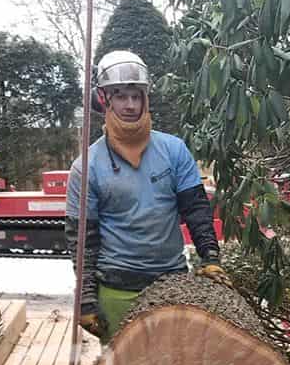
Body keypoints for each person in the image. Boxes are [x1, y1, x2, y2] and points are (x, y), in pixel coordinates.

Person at [65, 49, 229, 341]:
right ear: (104, 100)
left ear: (145, 99)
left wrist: (210, 256)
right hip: (117, 289)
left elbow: (196, 210)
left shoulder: (174, 150)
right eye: (120, 96)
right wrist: (87, 299)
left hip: (173, 282)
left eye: (136, 96)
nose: (130, 105)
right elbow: (82, 240)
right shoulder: (87, 167)